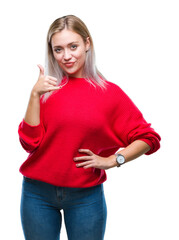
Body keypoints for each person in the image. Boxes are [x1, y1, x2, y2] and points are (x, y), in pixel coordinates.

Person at [18, 15, 161, 240]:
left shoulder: (109, 93)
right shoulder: (46, 89)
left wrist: (115, 160)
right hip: (37, 194)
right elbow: (29, 143)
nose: (66, 56)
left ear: (87, 44)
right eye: (58, 49)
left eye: (73, 46)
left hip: (85, 196)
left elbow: (149, 138)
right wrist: (35, 95)